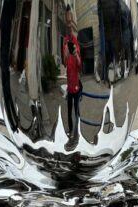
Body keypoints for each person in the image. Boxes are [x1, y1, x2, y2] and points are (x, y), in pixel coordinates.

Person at [62, 5, 82, 137]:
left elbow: (80, 66)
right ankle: (70, 131)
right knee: (69, 111)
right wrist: (66, 55)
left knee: (76, 111)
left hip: (76, 86)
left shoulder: (75, 41)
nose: (69, 24)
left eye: (70, 21)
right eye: (67, 21)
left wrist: (75, 55)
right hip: (69, 87)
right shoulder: (65, 41)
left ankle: (77, 131)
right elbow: (64, 64)